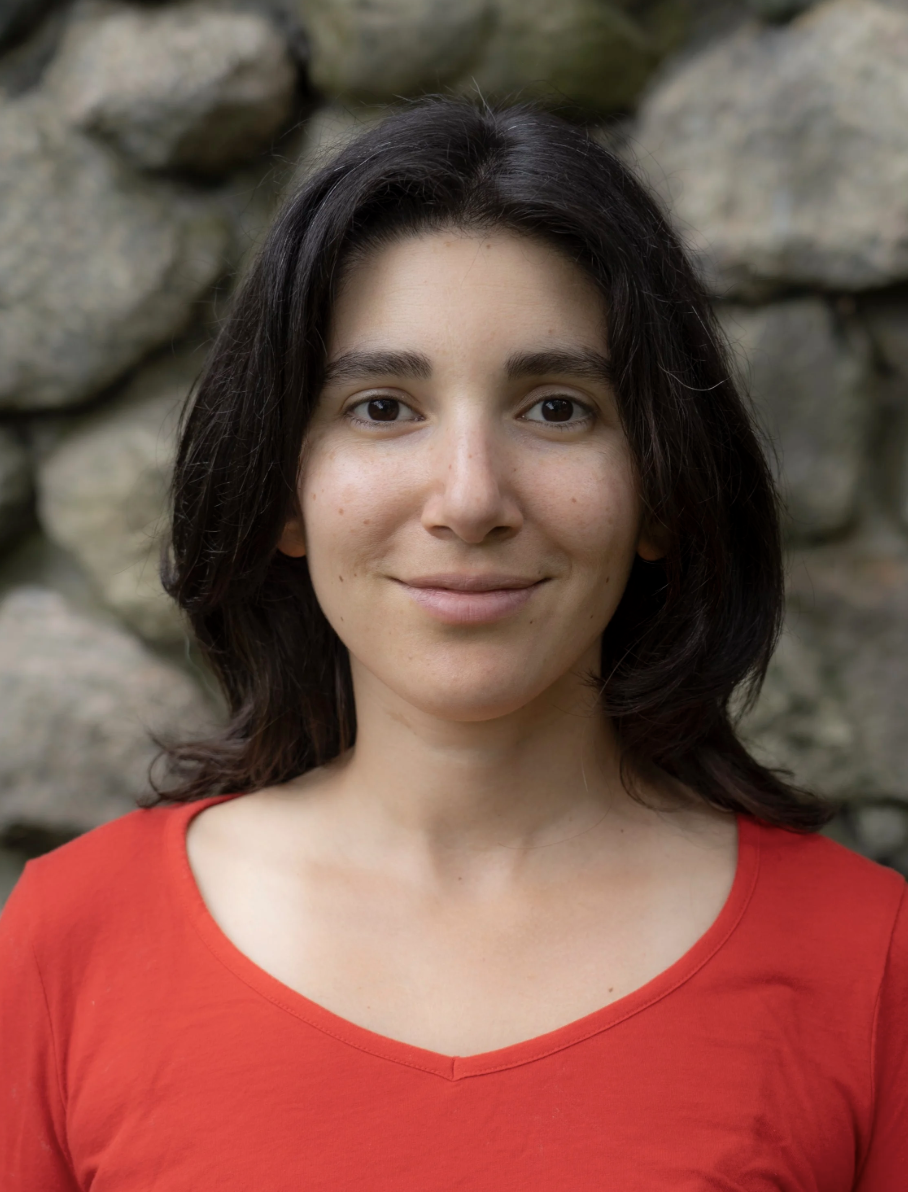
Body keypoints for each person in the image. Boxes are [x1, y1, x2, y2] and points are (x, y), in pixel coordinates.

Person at [1, 99, 905, 1191]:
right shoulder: (67, 943)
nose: (469, 497)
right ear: (284, 491)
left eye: (557, 408)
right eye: (382, 407)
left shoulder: (866, 963)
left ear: (660, 488)